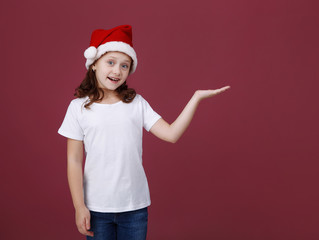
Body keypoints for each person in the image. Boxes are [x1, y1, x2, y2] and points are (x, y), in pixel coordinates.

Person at [58, 25, 230, 240]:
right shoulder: (78, 107)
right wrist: (79, 206)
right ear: (94, 64)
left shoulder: (136, 103)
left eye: (124, 65)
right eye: (110, 62)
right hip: (96, 208)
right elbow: (73, 160)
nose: (116, 71)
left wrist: (195, 98)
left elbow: (171, 134)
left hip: (134, 208)